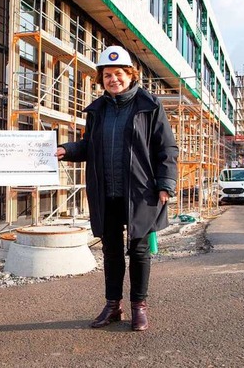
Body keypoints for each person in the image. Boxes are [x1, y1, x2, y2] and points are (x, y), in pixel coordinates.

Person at [56, 45, 178, 331]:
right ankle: (113, 305)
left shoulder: (149, 105)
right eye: (108, 74)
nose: (114, 79)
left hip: (140, 193)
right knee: (111, 251)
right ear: (102, 78)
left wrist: (166, 184)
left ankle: (139, 307)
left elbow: (166, 148)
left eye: (119, 73)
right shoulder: (98, 110)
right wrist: (67, 149)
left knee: (138, 251)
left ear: (130, 74)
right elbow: (89, 146)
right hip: (106, 192)